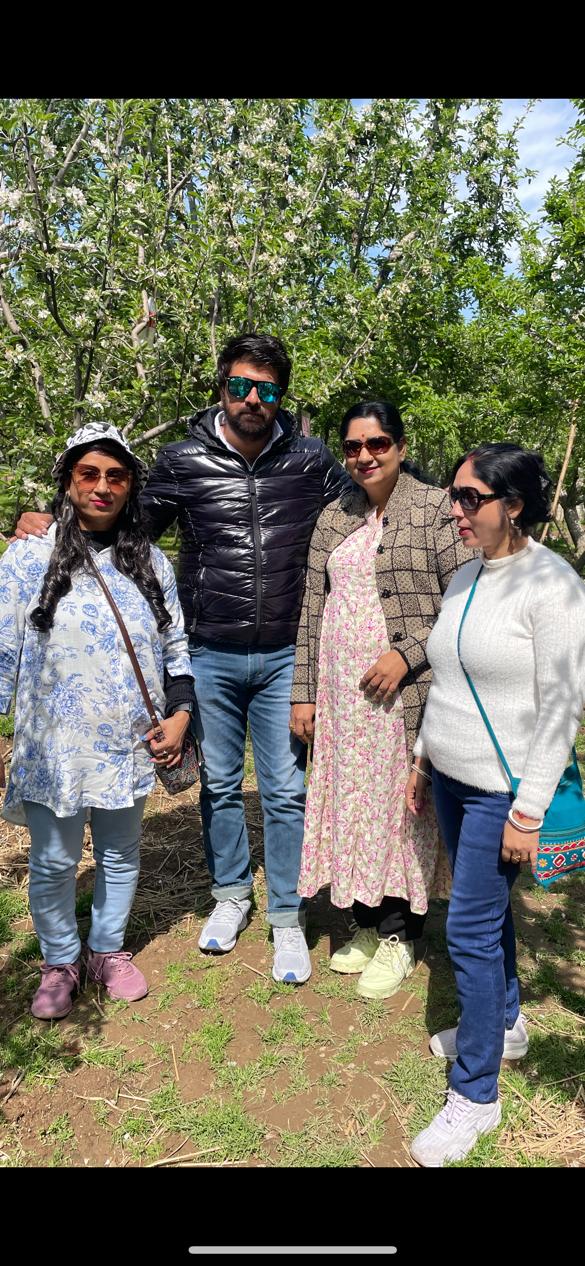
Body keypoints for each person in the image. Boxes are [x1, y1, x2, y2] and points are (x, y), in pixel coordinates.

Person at [15, 334, 349, 984]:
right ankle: (231, 895)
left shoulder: (310, 459)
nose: (253, 399)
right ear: (222, 387)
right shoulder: (182, 459)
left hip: (286, 653)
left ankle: (286, 916)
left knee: (285, 790)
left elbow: (364, 506)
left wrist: (447, 511)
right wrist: (50, 521)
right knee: (219, 784)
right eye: (241, 385)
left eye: (268, 389)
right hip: (210, 653)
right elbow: (118, 520)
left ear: (281, 395)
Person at [405, 442, 585, 1167]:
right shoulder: (467, 573)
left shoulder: (553, 585)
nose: (454, 509)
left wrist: (527, 810)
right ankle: (504, 1025)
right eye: (453, 495)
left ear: (511, 505)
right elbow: (448, 679)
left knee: (468, 934)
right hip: (451, 777)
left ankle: (475, 1095)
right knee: (483, 917)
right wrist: (422, 758)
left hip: (499, 792)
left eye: (469, 498)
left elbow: (561, 707)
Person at [1, 421, 194, 1020]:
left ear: (131, 485)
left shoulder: (151, 563)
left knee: (120, 852)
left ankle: (108, 948)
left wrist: (182, 713)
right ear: (68, 481)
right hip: (52, 746)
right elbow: (2, 649)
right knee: (54, 861)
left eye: (116, 476)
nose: (102, 487)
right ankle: (60, 959)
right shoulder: (28, 557)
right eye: (89, 474)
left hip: (129, 743)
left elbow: (175, 645)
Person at [290, 401, 467, 998]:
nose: (364, 456)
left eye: (377, 443)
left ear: (400, 446)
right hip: (343, 702)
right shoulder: (335, 514)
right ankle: (365, 921)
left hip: (404, 699)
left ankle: (401, 934)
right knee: (353, 807)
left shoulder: (435, 508)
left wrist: (408, 653)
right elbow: (312, 608)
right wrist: (304, 693)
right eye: (353, 446)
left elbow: (465, 601)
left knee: (400, 811)